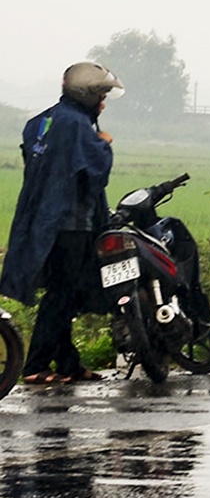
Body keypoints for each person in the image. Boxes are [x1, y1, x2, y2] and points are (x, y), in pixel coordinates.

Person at [1, 62, 122, 385]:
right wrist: (105, 143)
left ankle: (68, 363)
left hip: (41, 220)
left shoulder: (42, 122)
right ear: (87, 95)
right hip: (71, 225)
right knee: (62, 295)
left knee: (61, 292)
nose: (103, 103)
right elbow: (95, 170)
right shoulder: (78, 126)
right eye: (101, 95)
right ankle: (36, 365)